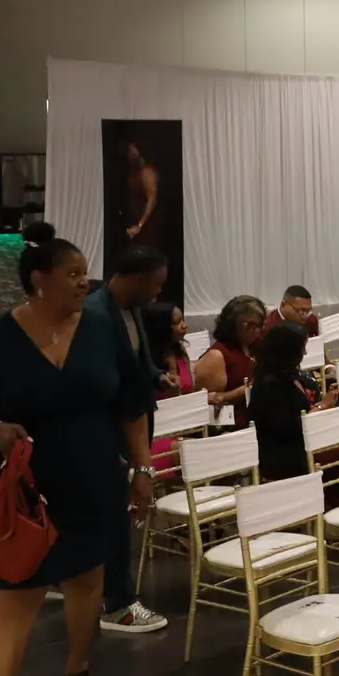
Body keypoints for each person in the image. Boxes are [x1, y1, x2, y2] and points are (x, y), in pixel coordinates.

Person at [0, 227, 154, 676]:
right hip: (22, 483)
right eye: (73, 274)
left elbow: (131, 406)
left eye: (85, 274)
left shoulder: (100, 330)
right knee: (19, 591)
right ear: (39, 280)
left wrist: (142, 469)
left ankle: (78, 669)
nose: (85, 283)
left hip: (94, 473)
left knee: (86, 579)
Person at [83, 245, 171, 635]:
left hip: (132, 421)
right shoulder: (95, 316)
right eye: (155, 284)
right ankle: (117, 604)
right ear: (136, 279)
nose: (157, 294)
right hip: (112, 430)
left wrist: (154, 375)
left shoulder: (130, 308)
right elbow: (107, 385)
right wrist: (138, 462)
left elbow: (137, 359)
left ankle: (83, 582)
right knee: (118, 517)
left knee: (115, 513)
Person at [249, 321, 339, 508]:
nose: (305, 354)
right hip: (288, 452)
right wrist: (322, 407)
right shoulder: (268, 386)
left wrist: (328, 401)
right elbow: (290, 428)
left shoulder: (291, 375)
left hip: (308, 441)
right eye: (302, 349)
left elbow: (306, 412)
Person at [195, 294, 265, 428]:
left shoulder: (257, 346)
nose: (256, 330)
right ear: (232, 324)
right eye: (251, 325)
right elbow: (206, 402)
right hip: (231, 427)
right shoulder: (217, 355)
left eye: (260, 325)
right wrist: (245, 391)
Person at [143, 303, 197, 460]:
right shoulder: (147, 362)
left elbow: (190, 392)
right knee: (193, 454)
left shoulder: (181, 353)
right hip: (155, 432)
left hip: (184, 427)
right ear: (161, 327)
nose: (185, 325)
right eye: (177, 322)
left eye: (183, 320)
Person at [117, 141, 161, 246]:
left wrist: (140, 225)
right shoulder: (131, 174)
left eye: (132, 149)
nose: (130, 152)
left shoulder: (147, 173)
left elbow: (152, 200)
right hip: (133, 227)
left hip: (146, 228)